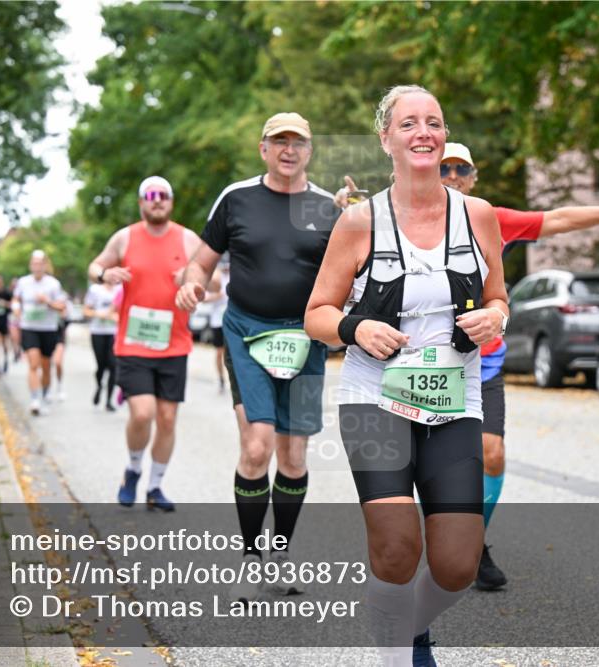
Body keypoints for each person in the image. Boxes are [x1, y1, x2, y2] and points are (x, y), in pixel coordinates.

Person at [336, 141, 599, 592]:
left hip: (475, 369)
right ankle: (418, 541)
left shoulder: (485, 218)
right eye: (445, 166)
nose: (452, 175)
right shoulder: (391, 218)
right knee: (404, 506)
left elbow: (557, 220)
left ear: (474, 177)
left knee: (492, 454)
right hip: (396, 370)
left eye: (461, 169)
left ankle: (474, 539)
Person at [306, 85, 509, 665]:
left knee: (456, 566)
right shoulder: (360, 222)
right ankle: (399, 656)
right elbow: (316, 312)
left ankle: (406, 629)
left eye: (434, 123)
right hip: (376, 398)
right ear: (386, 139)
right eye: (409, 124)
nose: (424, 132)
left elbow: (498, 298)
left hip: (455, 399)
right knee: (396, 549)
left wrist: (494, 317)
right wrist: (354, 330)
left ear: (444, 137)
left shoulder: (479, 216)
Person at [176, 112, 339, 603]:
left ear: (310, 150)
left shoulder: (328, 206)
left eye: (298, 142)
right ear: (263, 149)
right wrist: (192, 284)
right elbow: (203, 260)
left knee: (293, 456)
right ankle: (250, 556)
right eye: (279, 141)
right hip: (247, 333)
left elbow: (353, 268)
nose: (289, 149)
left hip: (306, 339)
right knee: (257, 447)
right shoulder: (237, 198)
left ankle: (282, 553)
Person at [89, 176, 203, 513]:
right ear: (141, 202)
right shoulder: (125, 237)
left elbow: (210, 284)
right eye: (150, 196)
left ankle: (155, 486)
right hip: (134, 343)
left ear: (171, 202)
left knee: (167, 419)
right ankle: (133, 470)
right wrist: (103, 275)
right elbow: (95, 265)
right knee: (143, 413)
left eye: (163, 195)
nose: (157, 200)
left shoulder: (188, 239)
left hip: (175, 343)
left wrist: (192, 286)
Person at [12, 250, 67, 416]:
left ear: (45, 265)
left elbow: (61, 307)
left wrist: (47, 301)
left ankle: (44, 394)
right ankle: (35, 399)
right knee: (33, 364)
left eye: (39, 263)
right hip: (29, 327)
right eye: (34, 263)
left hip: (48, 329)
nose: (36, 266)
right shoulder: (23, 282)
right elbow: (16, 300)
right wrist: (16, 310)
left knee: (46, 366)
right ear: (30, 265)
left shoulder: (53, 284)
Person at [84, 280, 121, 412]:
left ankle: (109, 401)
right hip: (97, 332)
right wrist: (99, 314)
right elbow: (86, 310)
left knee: (113, 365)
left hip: (114, 333)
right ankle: (99, 386)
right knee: (101, 365)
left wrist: (116, 316)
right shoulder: (95, 289)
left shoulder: (120, 289)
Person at [203, 256, 230, 392]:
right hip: (217, 320)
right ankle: (220, 378)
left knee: (230, 352)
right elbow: (204, 298)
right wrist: (216, 296)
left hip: (230, 321)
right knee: (219, 352)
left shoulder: (235, 276)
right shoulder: (215, 278)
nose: (226, 268)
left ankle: (233, 378)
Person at [52, 296, 72, 401]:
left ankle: (59, 386)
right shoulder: (48, 310)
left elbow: (67, 322)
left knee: (58, 363)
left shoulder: (64, 314)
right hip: (46, 338)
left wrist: (63, 314)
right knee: (45, 365)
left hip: (60, 339)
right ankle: (46, 389)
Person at [8, 277, 23, 363]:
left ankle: (19, 351)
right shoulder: (9, 294)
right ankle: (15, 351)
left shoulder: (23, 293)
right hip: (12, 318)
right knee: (14, 337)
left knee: (20, 337)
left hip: (22, 318)